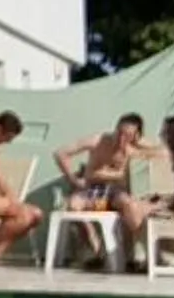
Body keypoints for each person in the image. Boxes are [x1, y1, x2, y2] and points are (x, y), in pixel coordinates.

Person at [52, 111, 150, 265]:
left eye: (127, 135)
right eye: (119, 132)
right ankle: (95, 248)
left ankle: (134, 255)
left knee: (131, 206)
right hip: (95, 192)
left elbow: (164, 153)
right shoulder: (98, 141)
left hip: (117, 194)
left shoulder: (136, 148)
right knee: (73, 205)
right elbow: (60, 153)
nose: (121, 138)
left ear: (136, 136)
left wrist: (141, 148)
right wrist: (73, 179)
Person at [0, 110, 46, 262]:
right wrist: (2, 200)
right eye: (9, 137)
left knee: (36, 215)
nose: (9, 142)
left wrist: (11, 198)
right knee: (25, 216)